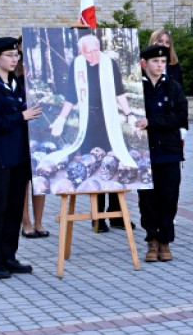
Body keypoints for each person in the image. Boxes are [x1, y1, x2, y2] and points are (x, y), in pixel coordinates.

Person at [48, 33, 139, 232]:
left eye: (95, 50)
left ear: (100, 47)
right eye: (87, 52)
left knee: (114, 160)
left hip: (109, 120)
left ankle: (116, 214)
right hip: (88, 121)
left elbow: (119, 92)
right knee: (94, 163)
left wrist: (130, 115)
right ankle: (98, 218)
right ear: (81, 52)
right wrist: (61, 119)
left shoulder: (109, 63)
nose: (92, 55)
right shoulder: (77, 65)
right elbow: (71, 95)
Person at [0, 37, 42, 279]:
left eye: (16, 55)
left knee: (14, 209)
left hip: (18, 159)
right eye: (9, 55)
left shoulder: (16, 83)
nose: (14, 59)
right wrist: (22, 116)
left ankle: (8, 256)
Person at [136, 44, 189, 262]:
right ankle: (152, 240)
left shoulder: (173, 87)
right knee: (147, 200)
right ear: (144, 64)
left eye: (163, 62)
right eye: (155, 62)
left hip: (169, 152)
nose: (159, 65)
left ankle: (165, 241)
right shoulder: (136, 90)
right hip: (144, 153)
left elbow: (180, 117)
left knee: (169, 198)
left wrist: (151, 122)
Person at [16, 37, 48, 238]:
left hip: (41, 131)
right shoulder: (14, 76)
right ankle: (25, 222)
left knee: (40, 178)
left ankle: (39, 222)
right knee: (24, 181)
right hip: (21, 133)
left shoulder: (41, 73)